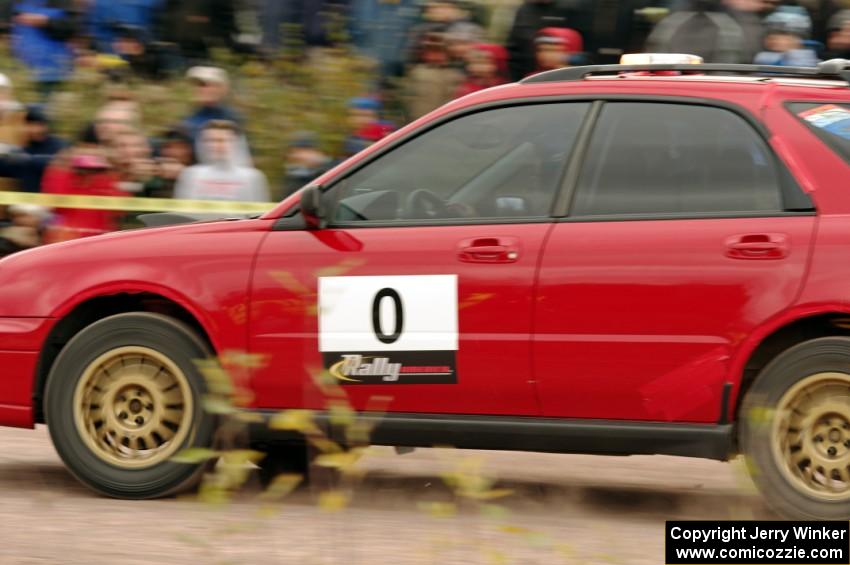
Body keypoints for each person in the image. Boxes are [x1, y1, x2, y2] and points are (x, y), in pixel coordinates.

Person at [41, 129, 124, 241]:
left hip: (99, 240)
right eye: (84, 148)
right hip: (64, 240)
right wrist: (67, 167)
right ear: (74, 149)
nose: (88, 154)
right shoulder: (60, 172)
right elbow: (53, 205)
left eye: (93, 149)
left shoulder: (107, 177)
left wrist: (113, 168)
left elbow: (118, 210)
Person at [174, 120, 269, 202]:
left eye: (221, 140)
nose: (214, 145)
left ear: (236, 142)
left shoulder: (251, 177)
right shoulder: (191, 175)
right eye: (209, 140)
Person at [11, 0, 76, 99]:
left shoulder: (62, 3)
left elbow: (72, 27)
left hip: (52, 66)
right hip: (23, 66)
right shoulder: (18, 3)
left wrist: (46, 21)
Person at [0, 105, 66, 193]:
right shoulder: (23, 147)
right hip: (26, 202)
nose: (35, 129)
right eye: (30, 125)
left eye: (39, 125)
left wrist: (27, 159)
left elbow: (59, 163)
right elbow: (7, 167)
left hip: (52, 200)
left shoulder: (58, 145)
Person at [405, 29, 465, 120]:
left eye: (439, 52)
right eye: (431, 52)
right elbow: (409, 98)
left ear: (448, 53)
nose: (434, 56)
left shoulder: (455, 75)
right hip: (418, 119)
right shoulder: (418, 72)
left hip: (442, 120)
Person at [181, 66, 242, 142]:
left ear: (221, 88)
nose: (200, 89)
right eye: (198, 85)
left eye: (205, 85)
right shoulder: (190, 119)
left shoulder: (231, 118)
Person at [755, 5, 819, 65]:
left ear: (798, 39)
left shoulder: (806, 61)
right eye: (769, 33)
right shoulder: (763, 58)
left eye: (782, 34)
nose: (772, 38)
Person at [143, 127, 195, 199]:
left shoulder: (200, 172)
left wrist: (185, 174)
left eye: (179, 147)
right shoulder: (153, 172)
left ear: (189, 150)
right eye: (168, 147)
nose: (172, 152)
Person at [281, 131, 333, 197]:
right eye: (293, 152)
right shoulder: (292, 174)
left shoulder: (328, 172)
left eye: (300, 151)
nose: (297, 156)